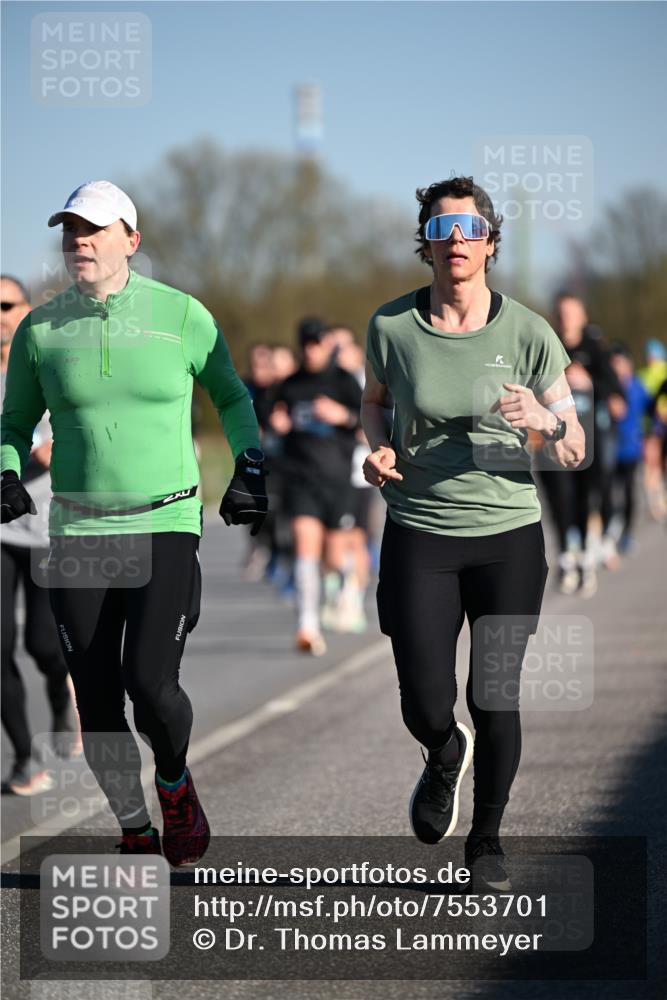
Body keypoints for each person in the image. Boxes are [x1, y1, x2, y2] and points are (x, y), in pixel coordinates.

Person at [0, 181, 267, 861]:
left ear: (131, 240)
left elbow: (231, 396)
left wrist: (248, 466)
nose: (78, 242)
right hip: (78, 530)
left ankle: (173, 782)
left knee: (151, 684)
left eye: (93, 230)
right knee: (95, 701)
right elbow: (13, 422)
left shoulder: (181, 315)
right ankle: (134, 823)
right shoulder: (41, 327)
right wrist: (6, 470)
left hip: (165, 520)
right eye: (69, 232)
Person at [362, 176, 584, 889]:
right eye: (439, 230)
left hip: (505, 533)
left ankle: (485, 837)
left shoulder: (527, 332)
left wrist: (545, 423)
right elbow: (373, 403)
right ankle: (439, 750)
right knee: (426, 699)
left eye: (468, 229)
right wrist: (378, 448)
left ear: (489, 242)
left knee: (493, 694)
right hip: (419, 530)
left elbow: (575, 445)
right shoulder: (391, 327)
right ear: (424, 245)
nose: (454, 242)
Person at [1, 276, 79, 795]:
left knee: (45, 646)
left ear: (27, 309)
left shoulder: (49, 361)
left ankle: (62, 700)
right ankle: (26, 758)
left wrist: (56, 446)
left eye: (6, 305)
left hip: (49, 523)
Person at [270, 318, 362, 655]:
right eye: (305, 344)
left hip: (337, 479)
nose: (311, 350)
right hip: (300, 478)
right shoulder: (291, 384)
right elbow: (273, 418)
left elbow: (366, 423)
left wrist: (342, 416)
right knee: (305, 548)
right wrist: (276, 424)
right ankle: (307, 625)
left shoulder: (344, 382)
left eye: (316, 343)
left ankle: (347, 581)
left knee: (334, 556)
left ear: (326, 344)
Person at [609, 344, 652, 553]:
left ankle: (626, 533)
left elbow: (651, 409)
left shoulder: (637, 386)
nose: (617, 367)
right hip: (608, 449)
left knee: (628, 493)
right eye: (614, 363)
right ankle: (609, 531)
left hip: (631, 448)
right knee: (608, 493)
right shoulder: (606, 387)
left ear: (629, 364)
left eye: (620, 363)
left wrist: (652, 434)